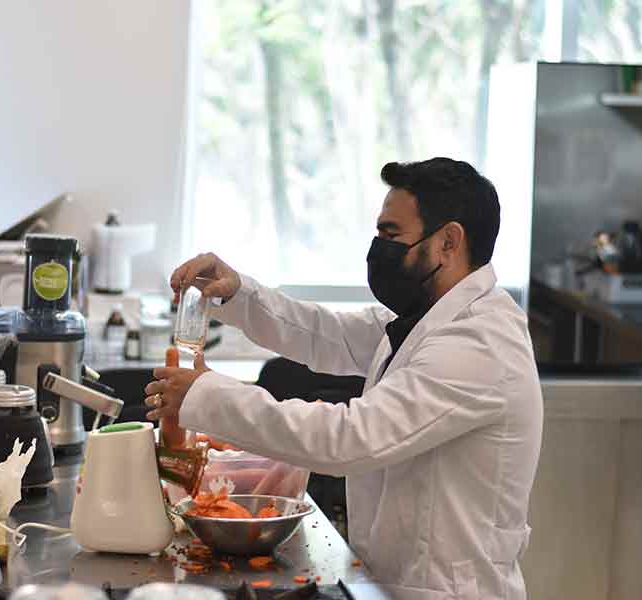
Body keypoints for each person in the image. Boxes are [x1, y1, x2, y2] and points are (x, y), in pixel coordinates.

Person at [145, 157, 543, 600]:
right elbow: (324, 333)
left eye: (392, 235)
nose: (379, 248)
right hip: (398, 581)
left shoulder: (479, 342)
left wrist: (206, 395)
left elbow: (351, 439)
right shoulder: (425, 319)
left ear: (449, 241)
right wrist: (239, 295)